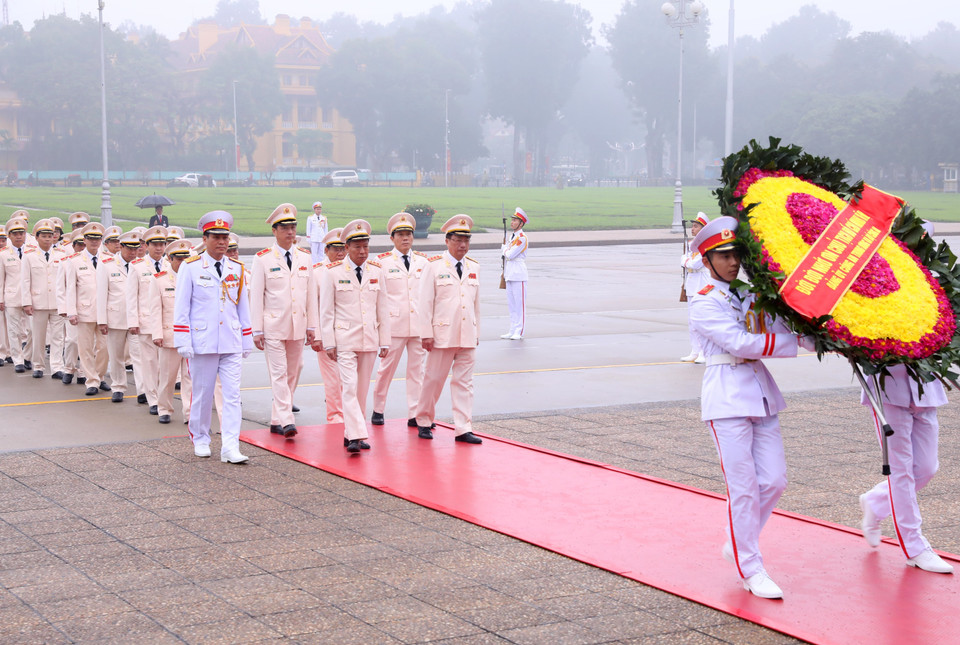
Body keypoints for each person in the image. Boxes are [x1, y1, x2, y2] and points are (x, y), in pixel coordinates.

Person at [688, 215, 807, 600]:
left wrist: (821, 336)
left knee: (774, 481)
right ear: (707, 261)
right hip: (726, 398)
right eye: (723, 256)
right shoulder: (704, 301)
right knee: (743, 489)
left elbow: (779, 327)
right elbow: (741, 343)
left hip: (760, 393)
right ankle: (750, 567)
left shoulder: (748, 294)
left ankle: (739, 541)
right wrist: (789, 344)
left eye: (736, 253)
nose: (733, 261)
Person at [174, 211, 253, 464]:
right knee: (203, 394)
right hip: (202, 342)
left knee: (232, 396)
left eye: (225, 237)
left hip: (230, 340)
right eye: (216, 237)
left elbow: (243, 307)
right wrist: (183, 340)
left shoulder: (237, 269)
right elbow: (182, 307)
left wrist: (246, 338)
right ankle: (200, 438)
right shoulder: (191, 267)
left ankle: (230, 446)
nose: (222, 242)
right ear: (205, 238)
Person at [857, 366, 953, 573]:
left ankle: (876, 501)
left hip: (924, 385)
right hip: (888, 389)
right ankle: (915, 548)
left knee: (927, 468)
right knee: (901, 471)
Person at [318, 219, 390, 452]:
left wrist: (385, 340)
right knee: (348, 387)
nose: (362, 251)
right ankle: (358, 435)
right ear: (346, 248)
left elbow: (383, 309)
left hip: (369, 339)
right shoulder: (333, 272)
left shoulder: (376, 271)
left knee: (361, 391)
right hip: (344, 340)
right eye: (357, 247)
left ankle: (351, 433)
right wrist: (329, 342)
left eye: (366, 247)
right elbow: (326, 312)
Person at [414, 215, 483, 445]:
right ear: (447, 240)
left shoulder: (474, 266)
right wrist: (426, 333)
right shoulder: (433, 266)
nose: (462, 244)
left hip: (467, 334)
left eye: (466, 240)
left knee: (465, 383)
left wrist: (477, 333)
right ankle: (423, 420)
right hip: (441, 335)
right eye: (458, 239)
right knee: (433, 380)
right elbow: (424, 303)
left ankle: (463, 427)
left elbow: (476, 305)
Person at [251, 203, 315, 438]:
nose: (290, 232)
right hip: (273, 326)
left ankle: (277, 418)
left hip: (298, 326)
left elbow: (310, 296)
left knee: (293, 371)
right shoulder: (263, 259)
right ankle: (287, 420)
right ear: (274, 231)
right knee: (278, 373)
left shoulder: (305, 257)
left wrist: (312, 326)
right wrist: (256, 329)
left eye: (293, 227)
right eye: (284, 228)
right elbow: (256, 297)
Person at [371, 212, 429, 427]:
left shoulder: (423, 261)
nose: (405, 238)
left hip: (418, 326)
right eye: (401, 234)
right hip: (393, 326)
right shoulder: (382, 262)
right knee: (386, 370)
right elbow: (376, 297)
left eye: (408, 234)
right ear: (392, 238)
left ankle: (415, 413)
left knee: (417, 372)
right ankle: (378, 409)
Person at [147, 239, 194, 425]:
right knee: (167, 377)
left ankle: (190, 412)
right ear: (170, 258)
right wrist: (157, 334)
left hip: (190, 336)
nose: (183, 262)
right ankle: (164, 409)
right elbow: (155, 309)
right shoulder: (160, 279)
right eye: (179, 258)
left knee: (190, 378)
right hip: (169, 335)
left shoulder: (194, 277)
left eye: (186, 258)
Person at [62, 222, 109, 395]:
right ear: (85, 240)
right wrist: (71, 311)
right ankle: (91, 381)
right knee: (86, 348)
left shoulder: (108, 258)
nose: (94, 242)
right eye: (91, 238)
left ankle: (100, 376)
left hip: (105, 312)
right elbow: (70, 289)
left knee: (104, 348)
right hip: (84, 311)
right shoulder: (74, 261)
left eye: (97, 238)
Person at [127, 226, 168, 412]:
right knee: (149, 363)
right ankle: (153, 399)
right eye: (155, 244)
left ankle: (162, 397)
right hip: (146, 322)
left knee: (165, 365)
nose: (159, 248)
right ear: (146, 245)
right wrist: (133, 322)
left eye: (162, 244)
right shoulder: (137, 267)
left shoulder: (170, 265)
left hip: (166, 323)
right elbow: (131, 296)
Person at [308, 228, 346, 423]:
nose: (340, 253)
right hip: (326, 334)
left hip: (349, 332)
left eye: (343, 248)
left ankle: (347, 413)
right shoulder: (317, 273)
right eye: (336, 249)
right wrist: (317, 336)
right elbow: (312, 306)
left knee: (348, 378)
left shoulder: (351, 270)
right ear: (326, 250)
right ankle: (335, 416)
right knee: (333, 378)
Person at [97, 230, 139, 402]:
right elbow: (101, 294)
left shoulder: (141, 265)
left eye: (136, 248)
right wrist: (102, 320)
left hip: (137, 318)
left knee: (139, 356)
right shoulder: (107, 264)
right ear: (121, 247)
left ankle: (143, 391)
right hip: (116, 317)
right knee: (116, 356)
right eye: (129, 249)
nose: (133, 252)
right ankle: (118, 387)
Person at [21, 219, 66, 379]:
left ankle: (56, 367)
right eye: (44, 236)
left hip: (57, 302)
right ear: (37, 237)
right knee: (38, 336)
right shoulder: (29, 256)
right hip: (37, 302)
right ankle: (38, 366)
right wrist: (26, 302)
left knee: (58, 337)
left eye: (50, 236)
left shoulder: (61, 255)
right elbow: (25, 280)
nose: (48, 239)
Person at [0, 217, 35, 372]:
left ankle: (27, 357)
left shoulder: (32, 252)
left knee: (32, 330)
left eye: (21, 233)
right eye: (15, 234)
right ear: (9, 236)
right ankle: (18, 360)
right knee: (14, 331)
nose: (19, 236)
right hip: (12, 296)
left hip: (31, 297)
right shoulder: (2, 254)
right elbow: (1, 279)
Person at [680, 212, 710, 363]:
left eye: (696, 226)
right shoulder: (692, 246)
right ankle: (695, 350)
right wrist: (686, 260)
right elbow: (686, 260)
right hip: (692, 287)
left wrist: (685, 261)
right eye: (692, 226)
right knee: (692, 322)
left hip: (702, 288)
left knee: (702, 321)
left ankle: (705, 352)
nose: (692, 229)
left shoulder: (706, 246)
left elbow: (694, 264)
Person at [500, 207, 529, 340]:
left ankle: (519, 330)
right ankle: (512, 329)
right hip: (510, 272)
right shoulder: (512, 237)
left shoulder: (522, 238)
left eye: (515, 220)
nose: (512, 222)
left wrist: (504, 249)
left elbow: (510, 255)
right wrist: (505, 249)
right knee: (511, 304)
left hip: (518, 273)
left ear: (521, 223)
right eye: (512, 220)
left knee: (519, 304)